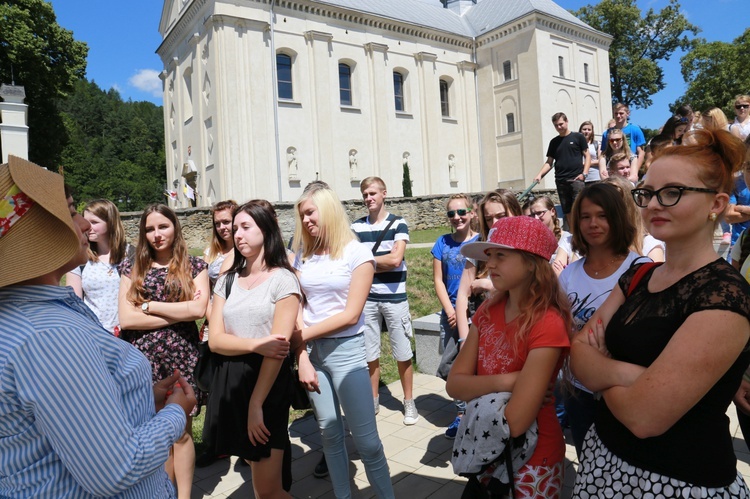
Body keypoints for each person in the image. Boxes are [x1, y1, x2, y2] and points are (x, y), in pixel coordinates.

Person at [0, 156, 196, 497]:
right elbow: (117, 469)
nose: (86, 226)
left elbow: (53, 428)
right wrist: (176, 414)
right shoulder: (49, 336)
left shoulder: (25, 318)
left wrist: (141, 400)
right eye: (73, 211)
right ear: (40, 232)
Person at [571, 129, 750, 497]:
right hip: (604, 461)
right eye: (647, 193)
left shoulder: (724, 294)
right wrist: (632, 375)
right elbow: (577, 355)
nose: (653, 204)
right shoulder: (639, 275)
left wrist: (602, 374)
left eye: (672, 192)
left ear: (716, 204)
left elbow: (645, 418)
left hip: (677, 481)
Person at [447, 216, 572, 498]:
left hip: (533, 460)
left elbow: (516, 422)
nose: (490, 264)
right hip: (489, 454)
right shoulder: (487, 312)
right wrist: (516, 380)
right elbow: (454, 385)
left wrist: (479, 384)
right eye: (489, 256)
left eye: (501, 255)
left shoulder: (547, 322)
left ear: (531, 262)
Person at [291, 187, 394, 499]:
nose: (305, 220)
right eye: (302, 215)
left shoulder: (357, 253)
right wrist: (302, 356)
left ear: (329, 210)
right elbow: (296, 305)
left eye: (311, 212)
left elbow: (351, 315)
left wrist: (301, 337)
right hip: (313, 355)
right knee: (330, 435)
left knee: (367, 442)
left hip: (346, 353)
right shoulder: (301, 255)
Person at [202, 201, 300, 498]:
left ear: (266, 230)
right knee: (260, 488)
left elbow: (278, 349)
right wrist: (257, 343)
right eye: (235, 229)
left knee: (268, 489)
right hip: (232, 383)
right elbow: (216, 340)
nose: (237, 234)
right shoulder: (227, 280)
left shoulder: (283, 280)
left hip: (266, 386)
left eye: (246, 227)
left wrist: (256, 404)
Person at [118, 204, 209, 499]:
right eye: (149, 229)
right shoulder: (132, 268)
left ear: (175, 228)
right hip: (142, 359)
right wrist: (178, 313)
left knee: (180, 431)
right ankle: (162, 493)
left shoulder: (195, 266)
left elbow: (198, 309)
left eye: (163, 227)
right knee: (153, 432)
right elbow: (127, 319)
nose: (156, 234)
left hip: (180, 358)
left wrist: (149, 306)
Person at [557, 183, 642, 456]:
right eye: (585, 216)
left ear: (617, 218)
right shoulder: (568, 275)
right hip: (579, 391)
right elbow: (559, 330)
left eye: (603, 215)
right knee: (589, 463)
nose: (593, 223)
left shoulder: (639, 269)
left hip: (624, 388)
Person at [351, 176, 418, 425]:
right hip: (367, 298)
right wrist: (379, 260)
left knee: (402, 352)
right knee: (369, 352)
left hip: (394, 297)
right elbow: (352, 262)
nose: (369, 198)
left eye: (373, 194)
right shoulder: (356, 228)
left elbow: (396, 260)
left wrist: (366, 261)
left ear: (384, 194)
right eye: (365, 195)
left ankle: (409, 402)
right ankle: (373, 400)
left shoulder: (398, 223)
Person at [454, 190, 523, 359]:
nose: (495, 223)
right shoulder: (479, 247)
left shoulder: (527, 247)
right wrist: (464, 340)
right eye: (489, 218)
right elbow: (462, 294)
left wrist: (487, 285)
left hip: (519, 332)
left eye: (501, 215)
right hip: (484, 330)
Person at [432, 193, 479, 438]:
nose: (457, 217)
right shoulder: (442, 242)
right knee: (451, 365)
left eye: (461, 212)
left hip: (474, 313)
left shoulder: (480, 241)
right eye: (451, 213)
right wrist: (450, 310)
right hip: (449, 313)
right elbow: (438, 280)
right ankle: (461, 413)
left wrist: (463, 309)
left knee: (475, 364)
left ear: (472, 213)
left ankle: (474, 410)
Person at [65, 198, 133, 334]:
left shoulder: (131, 255)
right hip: (95, 335)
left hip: (129, 334)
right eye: (85, 221)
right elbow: (74, 304)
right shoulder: (79, 258)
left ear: (111, 223)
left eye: (94, 222)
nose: (87, 226)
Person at [533, 112, 591, 227]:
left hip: (576, 179)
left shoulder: (578, 137)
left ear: (566, 122)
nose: (559, 127)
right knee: (567, 211)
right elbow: (549, 162)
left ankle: (582, 235)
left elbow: (587, 156)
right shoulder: (554, 142)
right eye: (556, 125)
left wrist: (584, 174)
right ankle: (573, 235)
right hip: (561, 181)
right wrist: (539, 175)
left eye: (561, 124)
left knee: (579, 209)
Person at [601, 103, 646, 181]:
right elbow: (603, 153)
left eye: (621, 113)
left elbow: (641, 152)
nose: (618, 116)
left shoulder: (635, 129)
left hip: (629, 164)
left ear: (627, 113)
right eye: (616, 113)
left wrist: (634, 171)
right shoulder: (607, 133)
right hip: (613, 166)